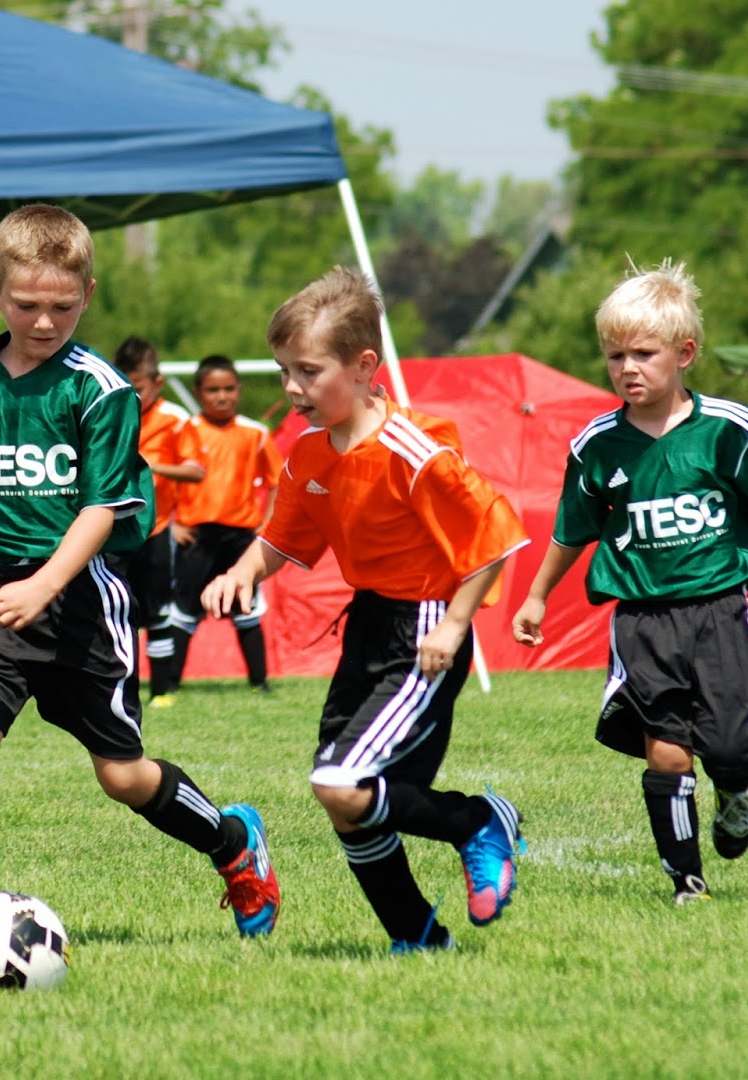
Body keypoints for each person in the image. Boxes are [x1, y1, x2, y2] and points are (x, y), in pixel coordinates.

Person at [0, 204, 280, 960]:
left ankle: (233, 844)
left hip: (79, 606)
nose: (43, 321)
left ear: (87, 295)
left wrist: (46, 586)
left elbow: (104, 506)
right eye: (27, 305)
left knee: (123, 775)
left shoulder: (100, 390)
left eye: (62, 307)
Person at [205, 267, 528, 953]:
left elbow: (494, 535)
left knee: (340, 783)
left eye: (307, 371)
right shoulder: (310, 452)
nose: (291, 389)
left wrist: (455, 622)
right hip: (370, 626)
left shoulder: (414, 450)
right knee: (352, 803)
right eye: (283, 371)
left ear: (363, 367)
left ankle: (479, 822)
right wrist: (240, 571)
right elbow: (286, 538)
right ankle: (417, 937)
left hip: (425, 627)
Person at [511, 260, 748, 906]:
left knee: (730, 747)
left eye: (643, 353)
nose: (626, 368)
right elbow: (571, 528)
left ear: (684, 353)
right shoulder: (598, 446)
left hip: (720, 610)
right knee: (666, 751)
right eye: (614, 356)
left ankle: (736, 791)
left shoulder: (729, 432)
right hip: (641, 620)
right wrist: (535, 596)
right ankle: (686, 882)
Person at [161, 355, 283, 699]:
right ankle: (170, 685)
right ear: (199, 393)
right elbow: (164, 481)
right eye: (213, 390)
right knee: (183, 610)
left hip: (239, 537)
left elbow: (277, 481)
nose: (222, 396)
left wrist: (267, 523)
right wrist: (171, 525)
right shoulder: (186, 430)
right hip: (196, 535)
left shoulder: (255, 433)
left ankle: (260, 683)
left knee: (246, 608)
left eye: (229, 389)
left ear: (239, 391)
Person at [112, 337, 204, 703]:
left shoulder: (176, 419)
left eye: (138, 388)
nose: (132, 395)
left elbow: (195, 472)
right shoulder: (111, 410)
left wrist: (148, 466)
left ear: (158, 383)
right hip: (115, 530)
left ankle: (163, 690)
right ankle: (125, 688)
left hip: (157, 527)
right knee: (120, 612)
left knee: (157, 609)